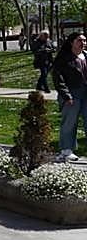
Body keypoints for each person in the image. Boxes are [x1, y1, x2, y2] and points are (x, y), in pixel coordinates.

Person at [53, 31, 87, 162]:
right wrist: (66, 96)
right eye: (79, 40)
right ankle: (66, 150)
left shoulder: (86, 56)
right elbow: (58, 79)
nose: (83, 43)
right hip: (71, 94)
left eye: (84, 41)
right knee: (70, 122)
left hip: (86, 94)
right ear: (71, 42)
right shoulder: (64, 58)